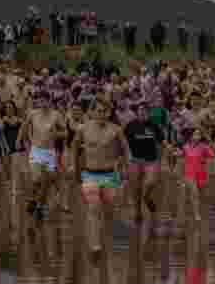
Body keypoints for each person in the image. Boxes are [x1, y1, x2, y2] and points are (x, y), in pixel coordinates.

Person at [73, 98, 130, 252]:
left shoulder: (116, 130)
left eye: (104, 111)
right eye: (98, 111)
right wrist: (75, 167)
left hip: (110, 174)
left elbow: (126, 150)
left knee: (110, 210)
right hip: (90, 174)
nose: (101, 114)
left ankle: (108, 237)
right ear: (92, 112)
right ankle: (95, 243)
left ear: (109, 112)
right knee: (93, 208)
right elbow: (75, 147)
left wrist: (125, 168)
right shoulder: (83, 128)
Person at [17, 91, 67, 220]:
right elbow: (23, 126)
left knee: (47, 182)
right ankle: (33, 199)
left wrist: (57, 134)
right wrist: (19, 140)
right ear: (38, 102)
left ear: (50, 101)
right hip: (36, 150)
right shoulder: (32, 114)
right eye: (41, 100)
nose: (43, 103)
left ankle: (40, 207)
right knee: (36, 179)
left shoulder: (56, 115)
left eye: (46, 100)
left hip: (50, 152)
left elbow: (65, 132)